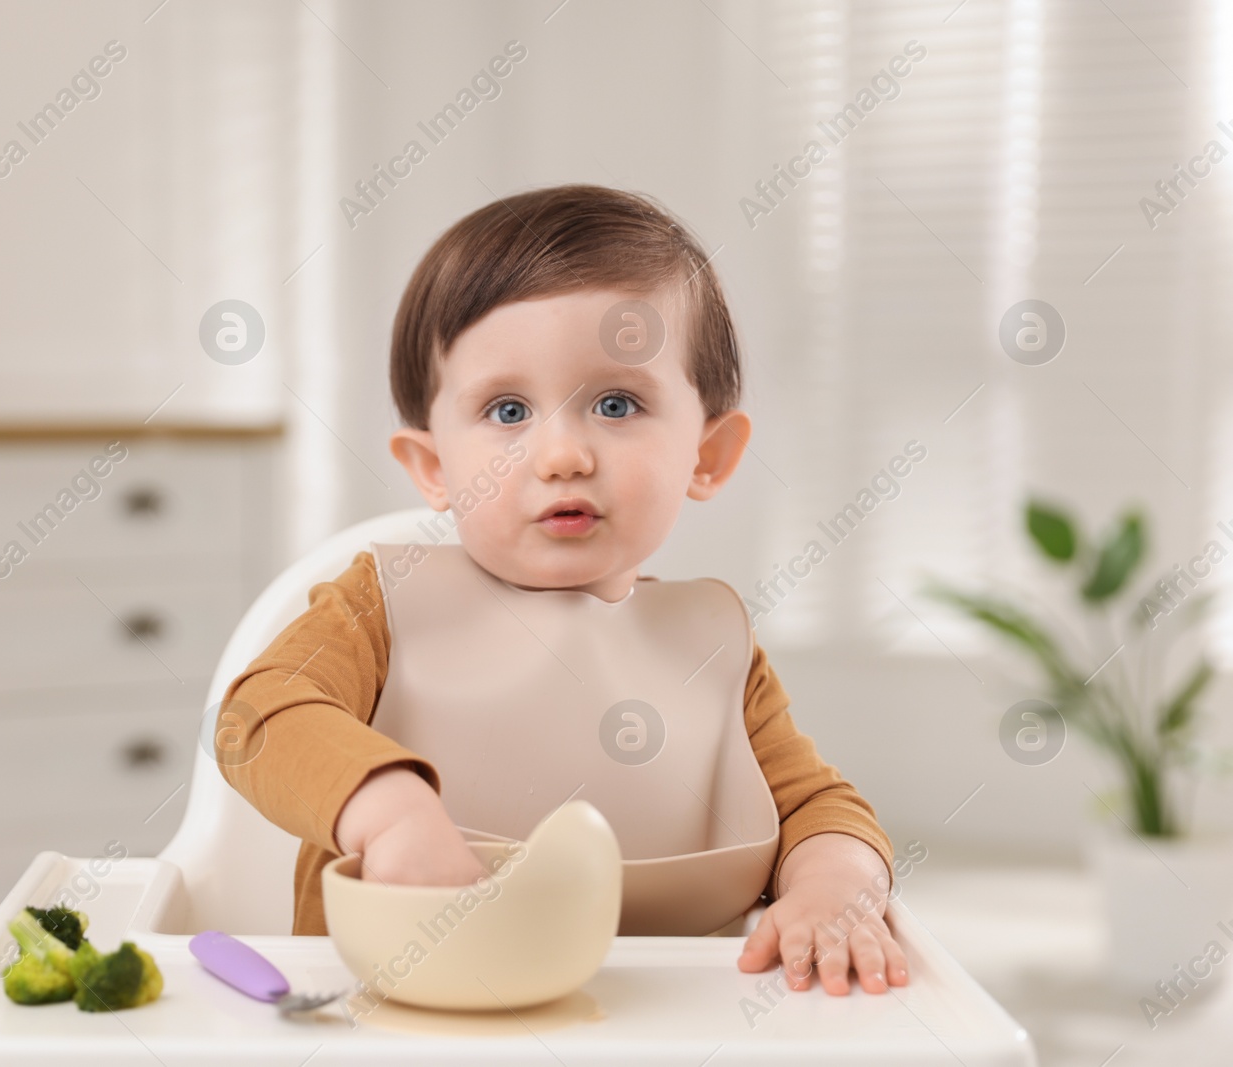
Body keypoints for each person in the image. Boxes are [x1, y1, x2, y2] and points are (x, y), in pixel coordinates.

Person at [217, 183, 908, 997]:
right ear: (434, 467)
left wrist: (833, 884)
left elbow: (819, 806)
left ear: (708, 454)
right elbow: (259, 717)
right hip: (389, 1018)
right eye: (507, 409)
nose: (562, 454)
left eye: (617, 403)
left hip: (659, 1027)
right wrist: (389, 812)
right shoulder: (378, 605)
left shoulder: (712, 649)